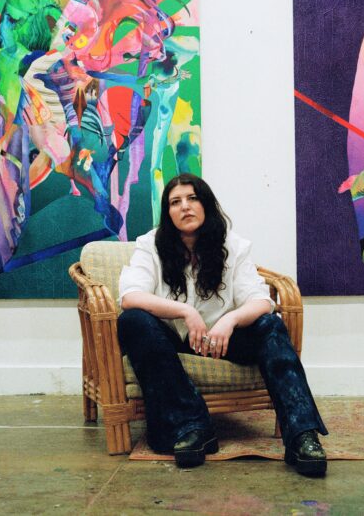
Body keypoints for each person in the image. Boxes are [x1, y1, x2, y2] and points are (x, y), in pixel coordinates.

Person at [118, 173, 328, 475]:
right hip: (175, 340)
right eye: (175, 202)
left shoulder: (233, 246)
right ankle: (192, 427)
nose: (185, 207)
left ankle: (302, 435)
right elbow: (130, 295)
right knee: (133, 321)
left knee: (270, 324)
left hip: (224, 339)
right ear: (168, 213)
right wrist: (185, 313)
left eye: (192, 198)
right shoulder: (150, 245)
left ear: (206, 205)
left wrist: (230, 320)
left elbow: (260, 300)